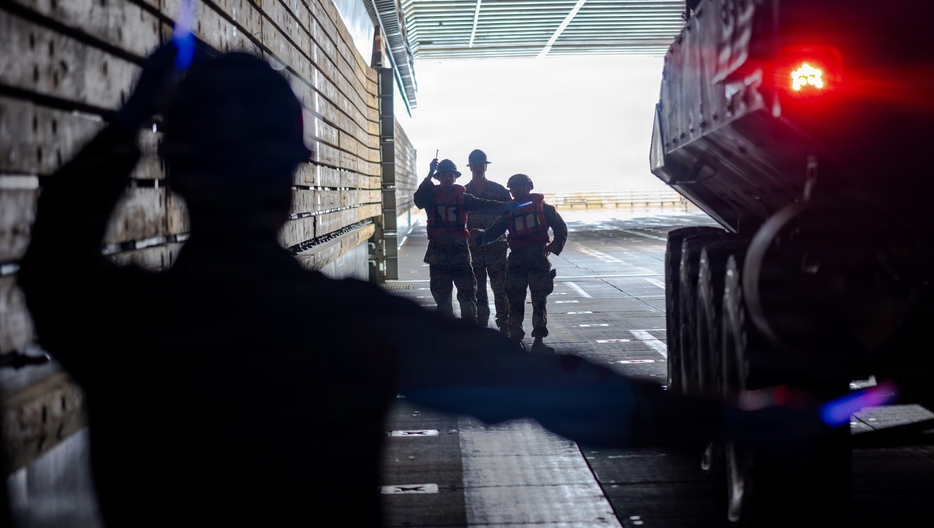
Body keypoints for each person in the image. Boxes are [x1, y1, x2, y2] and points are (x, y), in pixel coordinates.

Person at [17, 42, 827, 528]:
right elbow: (544, 388)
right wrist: (722, 419)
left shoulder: (122, 321)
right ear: (294, 174)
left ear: (176, 166)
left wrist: (132, 117)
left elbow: (53, 247)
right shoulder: (343, 325)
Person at [477, 174, 567, 353]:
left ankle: (538, 340)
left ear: (529, 187)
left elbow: (561, 228)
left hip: (537, 260)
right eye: (514, 187)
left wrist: (553, 246)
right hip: (518, 260)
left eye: (521, 186)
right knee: (514, 301)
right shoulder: (509, 211)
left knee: (539, 301)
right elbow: (496, 231)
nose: (517, 190)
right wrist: (479, 237)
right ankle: (515, 337)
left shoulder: (545, 209)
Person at [413, 157, 509, 323]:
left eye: (451, 175)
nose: (448, 178)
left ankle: (469, 334)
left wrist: (507, 206)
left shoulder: (464, 198)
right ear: (438, 178)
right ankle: (447, 336)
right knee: (442, 298)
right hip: (438, 254)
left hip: (460, 254)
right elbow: (418, 200)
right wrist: (428, 174)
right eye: (443, 175)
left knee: (467, 296)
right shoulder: (430, 198)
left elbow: (485, 204)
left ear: (455, 178)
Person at [464, 149, 512, 332]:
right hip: (473, 248)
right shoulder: (463, 192)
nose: (478, 167)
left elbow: (509, 215)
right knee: (478, 290)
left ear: (485, 166)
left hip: (496, 247)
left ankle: (504, 323)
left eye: (481, 164)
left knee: (500, 288)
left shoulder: (499, 190)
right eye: (475, 164)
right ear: (470, 167)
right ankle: (482, 326)